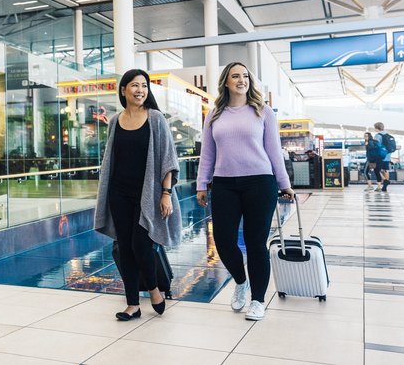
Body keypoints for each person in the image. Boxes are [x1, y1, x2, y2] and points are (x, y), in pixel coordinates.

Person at [196, 62, 294, 322]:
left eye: (245, 76)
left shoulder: (262, 111)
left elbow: (274, 150)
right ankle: (240, 281)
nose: (241, 80)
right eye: (235, 76)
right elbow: (208, 152)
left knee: (255, 243)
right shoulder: (215, 113)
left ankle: (258, 301)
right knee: (224, 241)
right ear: (226, 82)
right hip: (225, 183)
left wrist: (284, 183)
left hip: (260, 182)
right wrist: (201, 184)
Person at [94, 69, 182, 321]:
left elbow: (168, 159)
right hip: (119, 194)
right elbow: (111, 160)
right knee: (125, 248)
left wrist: (165, 193)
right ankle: (132, 304)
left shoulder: (155, 118)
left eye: (144, 85)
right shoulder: (115, 120)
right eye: (134, 85)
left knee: (141, 246)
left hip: (148, 194)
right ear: (123, 90)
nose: (140, 90)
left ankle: (154, 289)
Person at [373, 122, 394, 192]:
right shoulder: (388, 135)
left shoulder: (377, 136)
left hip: (380, 156)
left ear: (376, 128)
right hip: (388, 156)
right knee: (386, 170)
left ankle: (385, 180)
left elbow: (375, 146)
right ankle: (385, 186)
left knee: (376, 169)